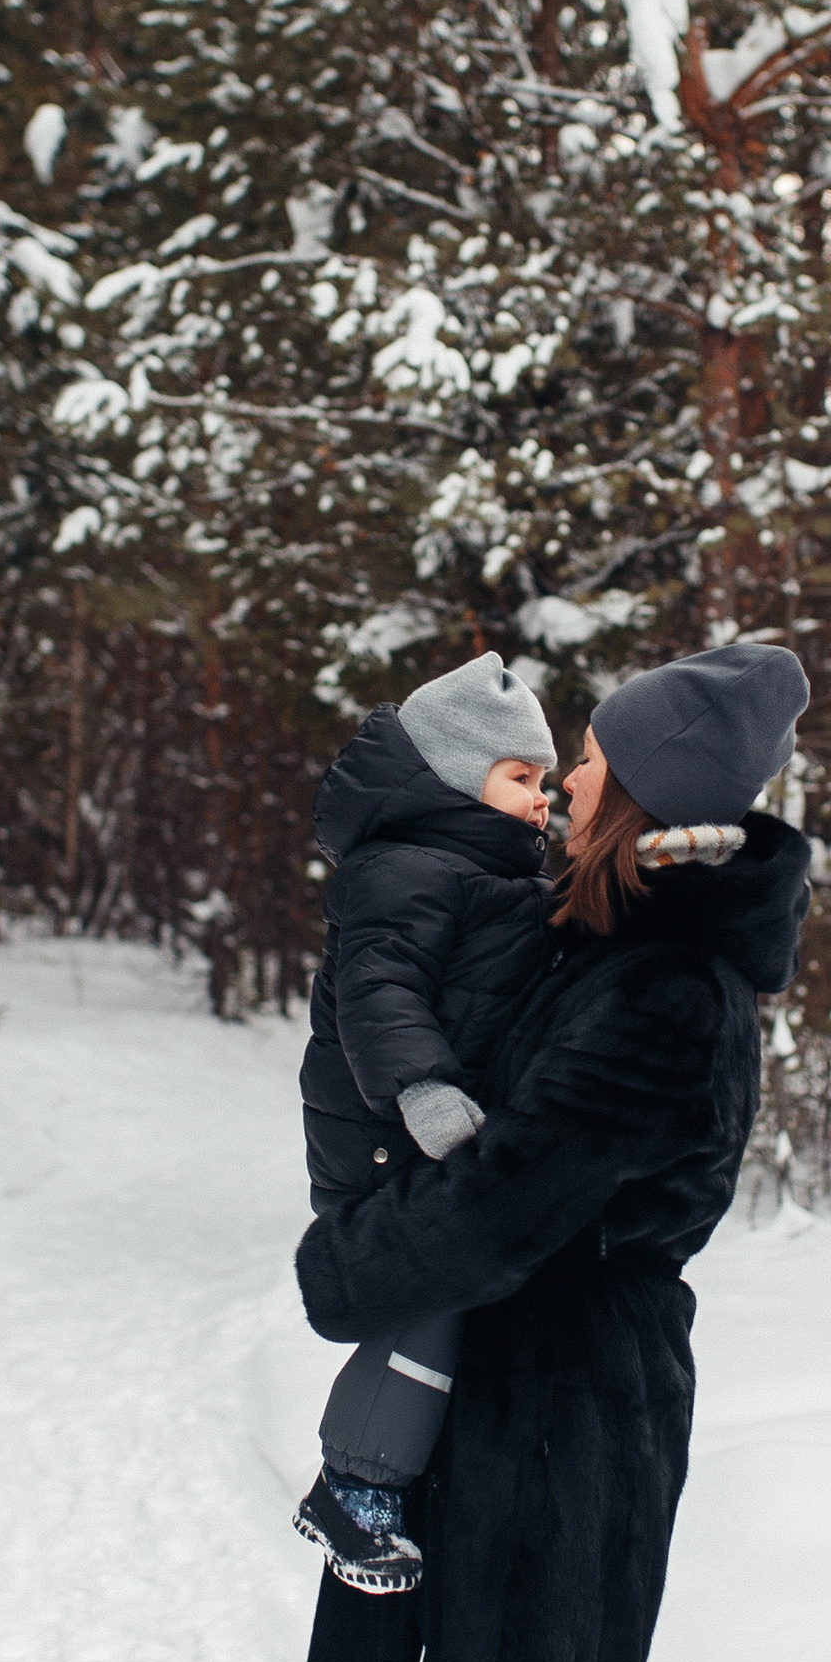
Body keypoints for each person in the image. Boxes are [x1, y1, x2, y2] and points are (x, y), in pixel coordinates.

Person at [293, 640, 813, 1662]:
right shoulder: (581, 925)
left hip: (579, 1400)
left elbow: (514, 1199)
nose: (567, 772)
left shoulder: (668, 991)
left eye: (590, 757)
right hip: (504, 1379)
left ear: (644, 796)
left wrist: (344, 1269)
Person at [293, 652, 558, 1593]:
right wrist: (428, 1097)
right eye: (521, 777)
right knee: (435, 1303)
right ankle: (353, 1483)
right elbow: (380, 994)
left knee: (456, 1304)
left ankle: (391, 1472)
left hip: (431, 1132)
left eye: (547, 783)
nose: (541, 800)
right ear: (453, 771)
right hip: (390, 1134)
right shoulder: (404, 871)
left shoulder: (488, 872)